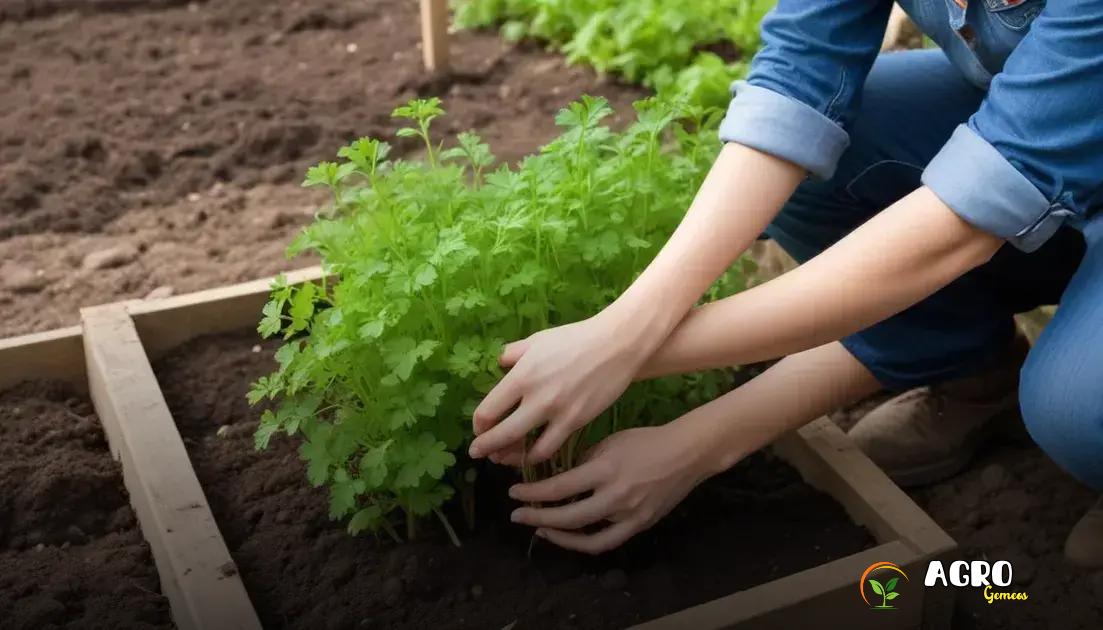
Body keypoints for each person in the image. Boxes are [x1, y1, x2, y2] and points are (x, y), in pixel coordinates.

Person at [467, 0, 1103, 567]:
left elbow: (956, 229)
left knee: (1076, 411)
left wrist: (631, 358)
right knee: (836, 143)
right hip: (1063, 136)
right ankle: (969, 372)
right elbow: (800, 80)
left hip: (1055, 139)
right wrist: (627, 323)